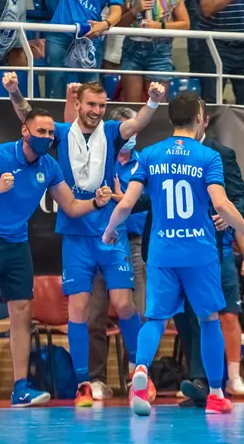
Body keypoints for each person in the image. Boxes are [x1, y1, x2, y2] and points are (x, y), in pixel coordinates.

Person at [101, 90, 244, 416]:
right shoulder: (208, 157)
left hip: (162, 251)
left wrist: (109, 231)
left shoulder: (149, 154)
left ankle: (141, 370)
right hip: (199, 251)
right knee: (208, 320)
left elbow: (127, 203)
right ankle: (217, 394)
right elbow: (222, 204)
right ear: (198, 118)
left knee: (155, 319)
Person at [4, 76, 165, 407]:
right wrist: (14, 92)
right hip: (76, 235)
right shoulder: (60, 133)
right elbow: (27, 118)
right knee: (77, 309)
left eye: (101, 105)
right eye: (91, 104)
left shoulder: (110, 132)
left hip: (110, 233)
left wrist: (152, 101)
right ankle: (83, 384)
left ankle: (140, 373)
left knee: (123, 304)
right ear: (78, 105)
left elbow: (136, 123)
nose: (97, 110)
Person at [0, 101, 113, 409]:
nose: (47, 136)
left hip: (17, 242)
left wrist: (96, 202)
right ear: (25, 131)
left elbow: (70, 207)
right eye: (41, 131)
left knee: (23, 310)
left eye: (51, 132)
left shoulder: (49, 166)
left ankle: (21, 387)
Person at [171, 98, 244, 405]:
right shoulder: (169, 152)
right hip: (175, 248)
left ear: (205, 121)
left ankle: (208, 380)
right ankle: (202, 380)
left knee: (210, 314)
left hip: (211, 248)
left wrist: (227, 219)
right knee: (182, 315)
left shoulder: (221, 155)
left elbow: (240, 199)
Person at [87, 106, 148, 400]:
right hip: (99, 243)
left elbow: (150, 204)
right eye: (125, 130)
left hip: (134, 245)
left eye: (134, 130)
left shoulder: (144, 164)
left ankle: (137, 374)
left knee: (136, 310)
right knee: (94, 315)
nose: (130, 136)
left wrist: (125, 200)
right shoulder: (99, 163)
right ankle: (96, 378)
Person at [116, 0, 189, 102]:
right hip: (132, 51)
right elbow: (118, 23)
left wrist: (160, 26)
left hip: (160, 53)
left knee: (157, 106)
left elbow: (185, 24)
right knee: (132, 106)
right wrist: (134, 10)